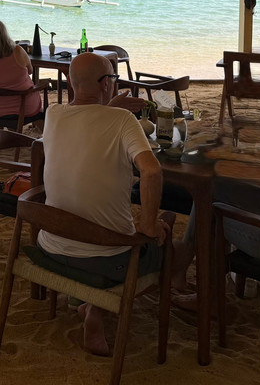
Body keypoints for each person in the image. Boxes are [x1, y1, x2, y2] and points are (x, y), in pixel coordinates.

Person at [38, 52, 168, 356]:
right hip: (108, 261)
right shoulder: (123, 120)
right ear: (105, 84)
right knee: (163, 238)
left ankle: (89, 305)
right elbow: (152, 171)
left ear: (71, 82)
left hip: (50, 248)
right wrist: (149, 224)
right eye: (113, 78)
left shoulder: (53, 114)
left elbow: (85, 119)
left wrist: (108, 105)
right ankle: (97, 308)